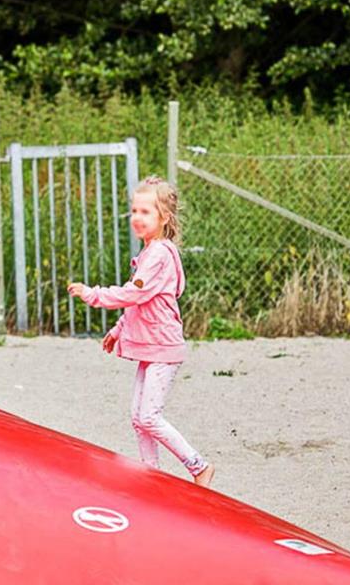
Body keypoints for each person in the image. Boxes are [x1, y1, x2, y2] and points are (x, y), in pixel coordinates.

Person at [67, 176, 213, 487]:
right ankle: (152, 477)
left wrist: (93, 294)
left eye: (145, 212)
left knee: (148, 416)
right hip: (150, 347)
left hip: (163, 347)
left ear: (164, 218)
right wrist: (119, 329)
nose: (137, 217)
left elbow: (133, 294)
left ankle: (199, 466)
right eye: (134, 211)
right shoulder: (150, 252)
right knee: (138, 418)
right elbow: (141, 303)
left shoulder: (159, 255)